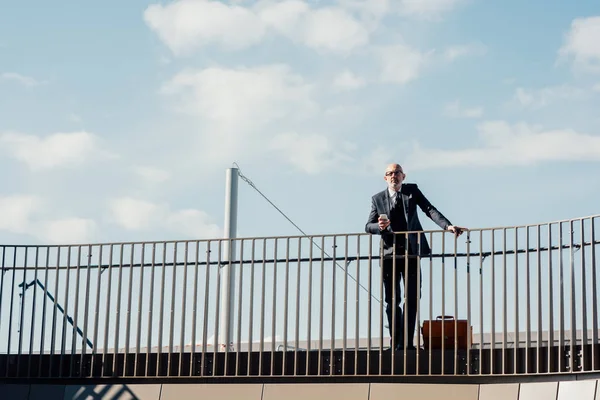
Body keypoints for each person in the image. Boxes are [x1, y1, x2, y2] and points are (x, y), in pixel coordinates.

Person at [365, 163, 465, 350]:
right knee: (391, 300)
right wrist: (378, 227)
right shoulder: (377, 199)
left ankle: (408, 343)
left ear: (403, 176)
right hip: (389, 254)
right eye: (389, 173)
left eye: (397, 172)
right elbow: (367, 226)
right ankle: (396, 342)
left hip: (411, 252)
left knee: (412, 298)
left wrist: (448, 226)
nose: (393, 176)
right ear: (385, 178)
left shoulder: (412, 191)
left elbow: (429, 209)